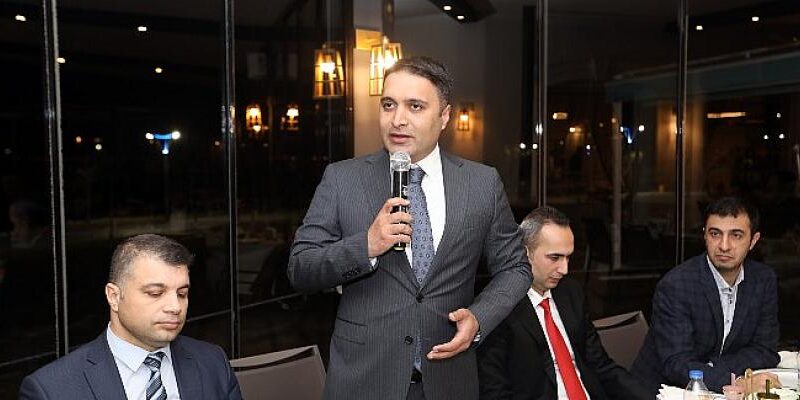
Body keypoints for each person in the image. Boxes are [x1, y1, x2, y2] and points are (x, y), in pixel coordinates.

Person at [288, 56, 532, 400]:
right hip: (364, 382)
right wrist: (366, 246)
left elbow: (516, 267)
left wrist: (479, 318)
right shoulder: (343, 179)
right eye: (389, 105)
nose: (397, 119)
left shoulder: (482, 184)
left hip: (449, 381)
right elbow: (300, 267)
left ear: (444, 116)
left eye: (415, 106)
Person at [19, 234, 242, 399]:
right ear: (114, 297)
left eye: (182, 294)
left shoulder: (212, 362)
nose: (175, 306)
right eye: (155, 293)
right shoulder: (51, 390)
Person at [478, 206, 651, 400]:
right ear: (524, 253)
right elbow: (495, 391)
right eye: (555, 257)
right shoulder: (498, 306)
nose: (564, 269)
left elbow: (601, 366)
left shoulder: (571, 294)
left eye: (568, 257)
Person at [632, 196, 780, 394]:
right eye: (715, 234)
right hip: (663, 392)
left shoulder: (762, 280)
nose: (724, 246)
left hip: (718, 392)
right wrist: (737, 383)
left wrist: (713, 368)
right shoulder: (676, 285)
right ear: (704, 235)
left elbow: (765, 349)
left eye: (736, 235)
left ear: (753, 241)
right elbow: (677, 364)